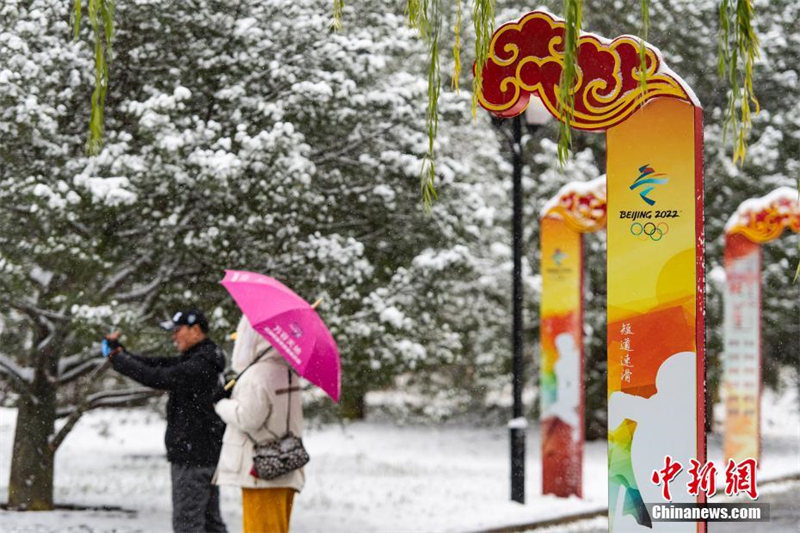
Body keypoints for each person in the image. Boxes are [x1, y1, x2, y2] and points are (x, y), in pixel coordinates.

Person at [103, 309, 228, 533]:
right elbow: (159, 364)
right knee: (211, 524)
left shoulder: (201, 364)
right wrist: (122, 355)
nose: (174, 337)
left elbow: (159, 377)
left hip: (194, 457)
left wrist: (119, 359)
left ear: (196, 330)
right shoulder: (203, 357)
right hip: (202, 453)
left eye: (178, 331)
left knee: (188, 525)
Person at [212, 315, 305, 533]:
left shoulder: (256, 375)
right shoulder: (288, 372)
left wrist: (221, 403)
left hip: (260, 469)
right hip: (285, 464)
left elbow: (248, 418)